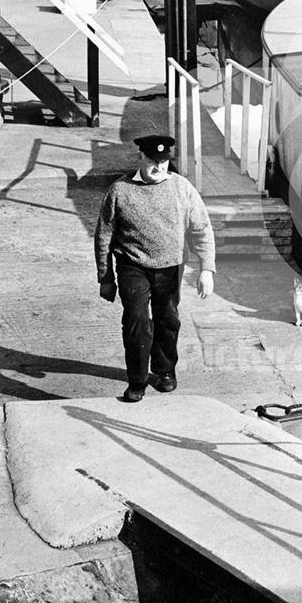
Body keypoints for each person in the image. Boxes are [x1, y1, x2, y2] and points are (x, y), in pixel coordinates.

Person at [94, 134, 215, 403]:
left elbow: (201, 229)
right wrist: (106, 277)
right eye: (153, 161)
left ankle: (164, 371)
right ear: (141, 157)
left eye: (164, 162)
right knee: (136, 321)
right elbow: (103, 236)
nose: (159, 167)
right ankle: (137, 381)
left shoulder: (182, 188)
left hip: (170, 268)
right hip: (132, 266)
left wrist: (206, 269)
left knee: (167, 320)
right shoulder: (120, 191)